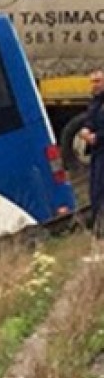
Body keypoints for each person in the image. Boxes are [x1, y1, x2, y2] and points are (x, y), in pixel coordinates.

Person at [79, 70, 104, 251]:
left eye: (98, 81)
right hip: (97, 152)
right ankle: (98, 229)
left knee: (100, 189)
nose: (94, 85)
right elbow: (90, 120)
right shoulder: (95, 102)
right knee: (95, 190)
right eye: (92, 82)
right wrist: (86, 131)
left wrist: (97, 137)